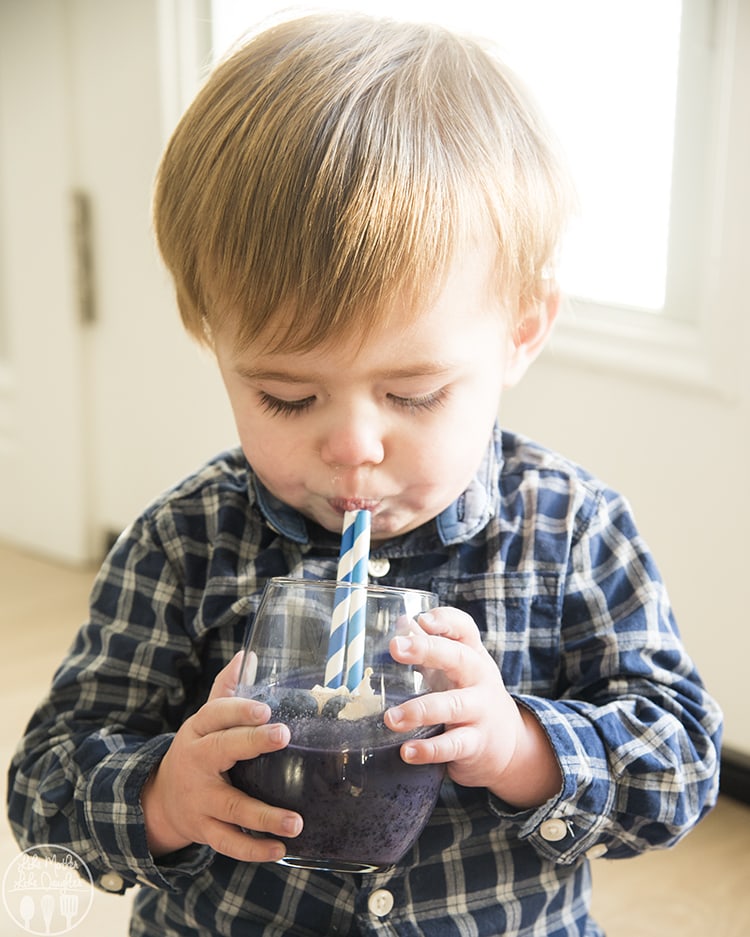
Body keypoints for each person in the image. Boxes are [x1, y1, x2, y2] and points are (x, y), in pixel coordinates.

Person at [8, 13, 722, 937]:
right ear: (209, 333)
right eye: (286, 397)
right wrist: (164, 795)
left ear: (522, 331)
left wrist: (520, 746)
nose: (353, 447)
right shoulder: (186, 542)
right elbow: (44, 785)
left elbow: (682, 766)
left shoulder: (571, 530)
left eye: (414, 394)